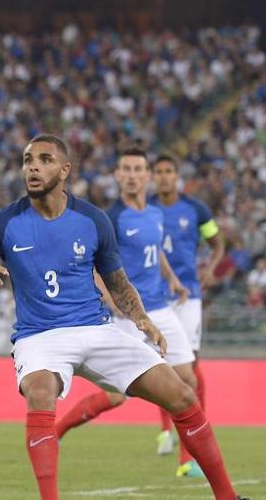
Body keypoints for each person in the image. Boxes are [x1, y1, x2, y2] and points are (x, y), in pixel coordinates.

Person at [0, 135, 245, 500]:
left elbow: (118, 283)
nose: (33, 167)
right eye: (27, 160)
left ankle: (228, 497)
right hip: (40, 336)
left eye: (44, 159)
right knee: (40, 394)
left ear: (65, 170)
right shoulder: (3, 222)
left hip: (96, 328)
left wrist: (142, 319)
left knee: (182, 394)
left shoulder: (93, 220)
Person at [55, 146, 203, 477]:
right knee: (116, 396)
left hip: (162, 309)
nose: (133, 175)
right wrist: (110, 301)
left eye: (139, 169)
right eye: (127, 169)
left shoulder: (154, 214)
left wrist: (175, 281)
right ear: (118, 175)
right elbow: (93, 264)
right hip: (129, 315)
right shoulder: (111, 218)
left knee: (187, 379)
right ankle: (57, 431)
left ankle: (184, 462)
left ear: (147, 176)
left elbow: (157, 253)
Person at [149, 154, 225, 472]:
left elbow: (217, 241)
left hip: (187, 297)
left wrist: (212, 267)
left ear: (178, 176)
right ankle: (169, 430)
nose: (164, 177)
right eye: (160, 172)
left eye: (169, 172)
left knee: (190, 363)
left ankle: (192, 437)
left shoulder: (196, 209)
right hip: (155, 298)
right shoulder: (145, 209)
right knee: (161, 366)